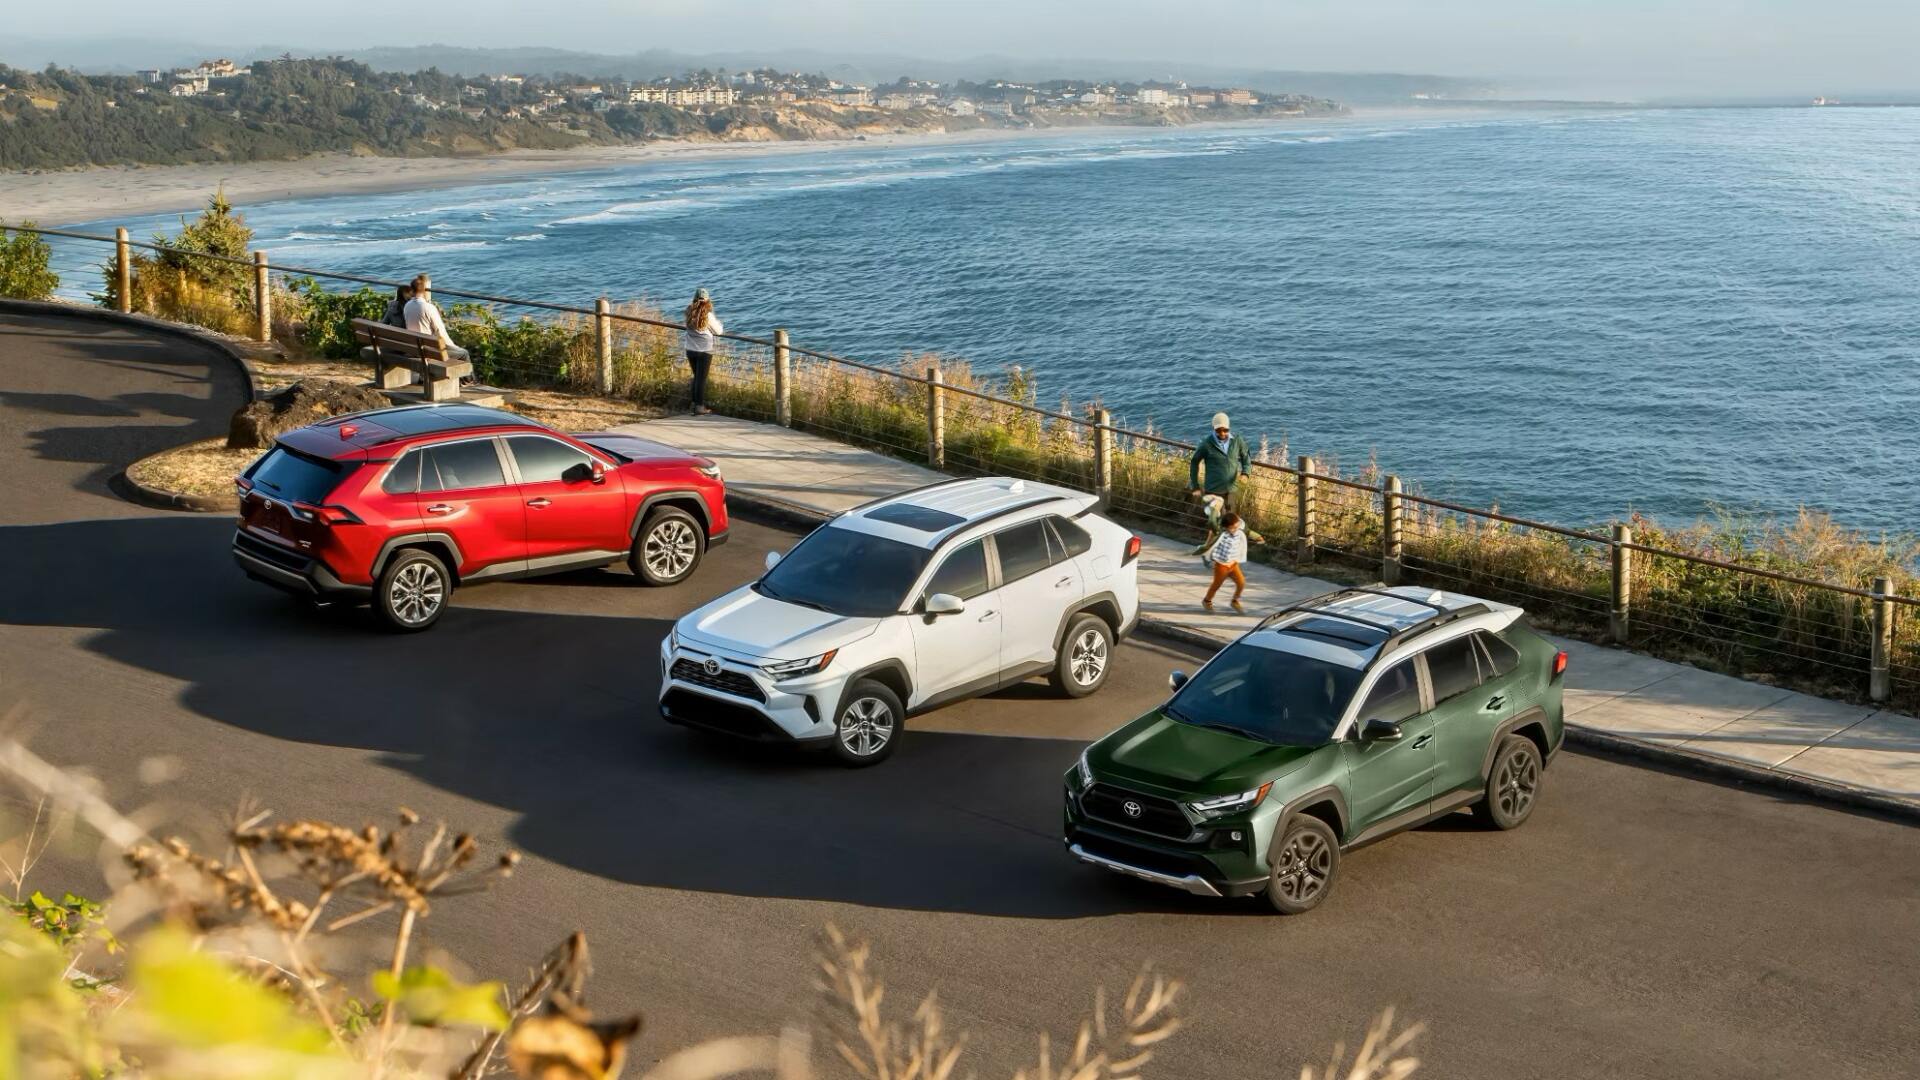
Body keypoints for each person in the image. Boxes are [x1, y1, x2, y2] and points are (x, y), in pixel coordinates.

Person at [1189, 411, 1252, 512]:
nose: (1222, 433)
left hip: (1231, 489)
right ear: (1214, 428)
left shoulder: (1237, 440)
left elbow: (1246, 457)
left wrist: (1245, 473)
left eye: (1225, 430)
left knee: (1229, 520)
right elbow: (1194, 462)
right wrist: (1195, 486)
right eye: (1218, 430)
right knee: (1214, 520)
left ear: (1229, 428)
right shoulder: (1206, 444)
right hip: (1213, 490)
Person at [402, 274, 470, 363]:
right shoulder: (428, 307)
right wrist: (454, 347)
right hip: (428, 352)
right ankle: (470, 377)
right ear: (424, 290)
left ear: (411, 290)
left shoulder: (407, 306)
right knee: (464, 353)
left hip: (414, 349)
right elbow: (440, 332)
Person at [682, 287, 723, 415]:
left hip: (690, 349)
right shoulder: (708, 316)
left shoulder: (688, 312)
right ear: (707, 300)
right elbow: (719, 331)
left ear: (694, 299)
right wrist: (718, 323)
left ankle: (694, 404)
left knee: (696, 377)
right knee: (701, 379)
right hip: (705, 350)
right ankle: (699, 407)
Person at [1188, 491, 1265, 558]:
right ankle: (1259, 539)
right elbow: (1247, 531)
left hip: (1236, 528)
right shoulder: (1226, 512)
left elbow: (1214, 532)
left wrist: (1206, 546)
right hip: (1241, 525)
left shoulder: (1221, 520)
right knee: (1246, 532)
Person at [1202, 512, 1251, 612]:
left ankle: (1234, 601)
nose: (1234, 529)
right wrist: (1210, 537)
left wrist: (1258, 538)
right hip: (1221, 566)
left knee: (1241, 583)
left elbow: (1248, 532)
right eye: (1232, 528)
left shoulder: (1239, 532)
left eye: (1236, 526)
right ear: (1226, 528)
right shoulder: (1222, 535)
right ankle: (1207, 600)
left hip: (1233, 565)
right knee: (1216, 585)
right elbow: (1210, 544)